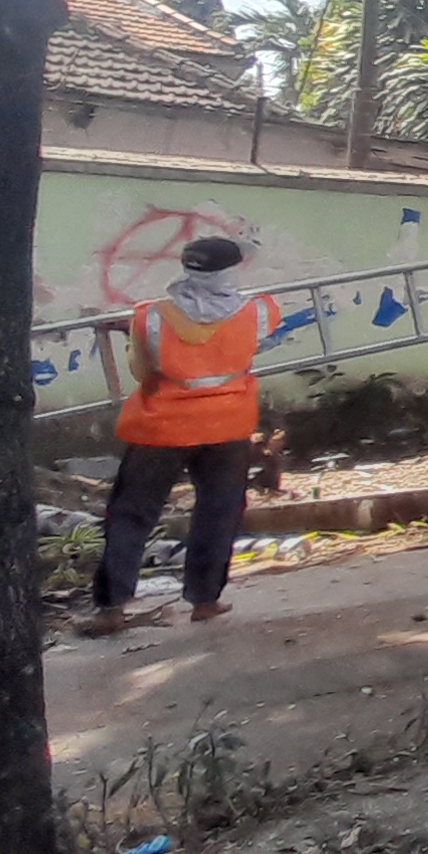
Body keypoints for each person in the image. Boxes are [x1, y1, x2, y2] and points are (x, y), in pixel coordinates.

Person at [78, 237, 280, 637]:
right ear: (230, 271)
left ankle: (111, 608)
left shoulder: (150, 317)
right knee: (219, 512)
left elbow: (141, 371)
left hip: (161, 429)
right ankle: (205, 601)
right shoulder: (261, 311)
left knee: (131, 515)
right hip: (228, 427)